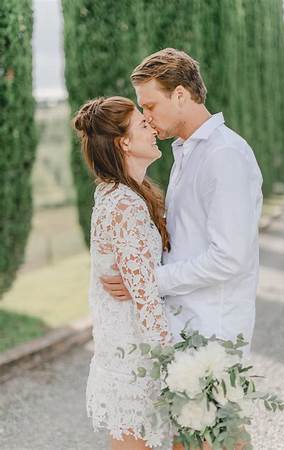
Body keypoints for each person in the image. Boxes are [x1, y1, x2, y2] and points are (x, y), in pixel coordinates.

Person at [100, 48, 263, 450]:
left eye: (150, 105)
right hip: (184, 331)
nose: (147, 117)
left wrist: (149, 281)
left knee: (221, 443)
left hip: (213, 336)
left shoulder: (223, 155)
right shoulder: (186, 153)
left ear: (180, 96)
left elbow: (231, 256)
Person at [73, 96, 173, 450]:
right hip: (136, 362)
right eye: (143, 125)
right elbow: (145, 300)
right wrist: (174, 364)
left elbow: (141, 283)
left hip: (128, 352)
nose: (153, 128)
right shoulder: (124, 205)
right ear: (124, 142)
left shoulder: (121, 194)